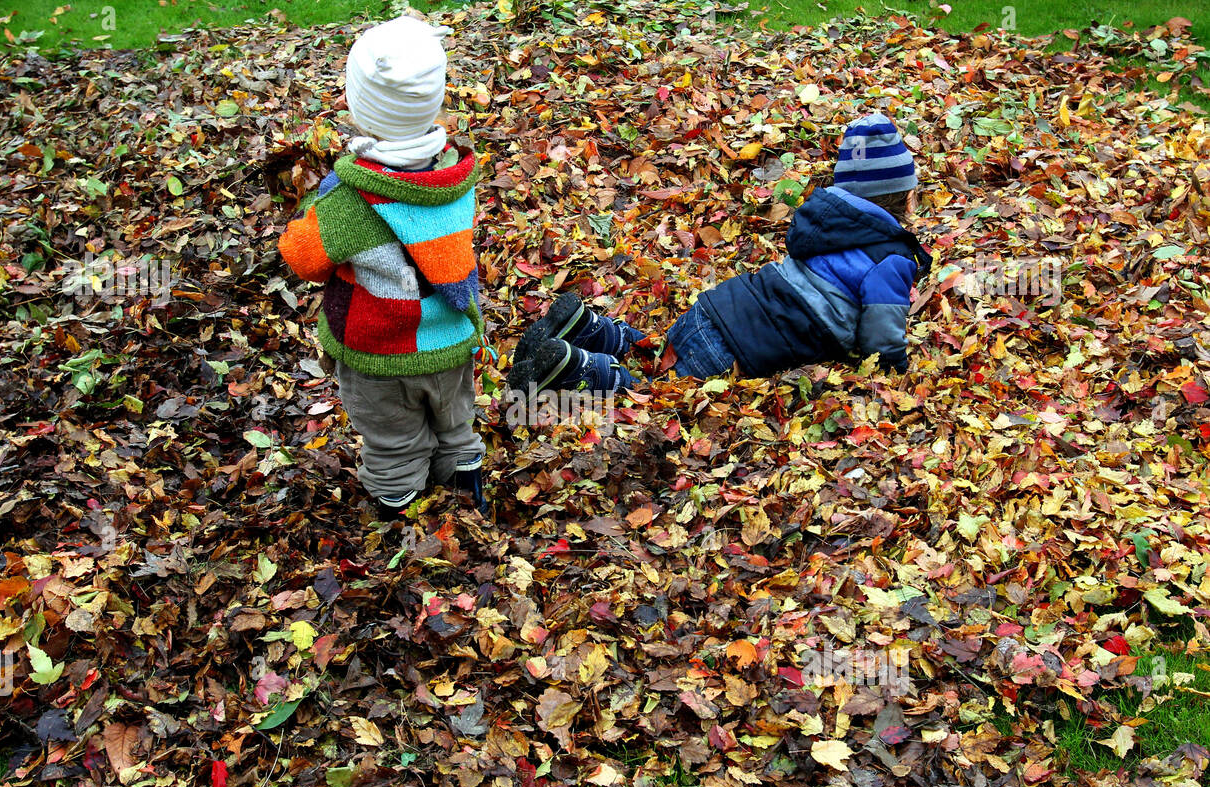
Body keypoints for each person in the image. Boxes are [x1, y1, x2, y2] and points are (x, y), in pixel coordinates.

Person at [507, 112, 933, 393]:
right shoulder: (892, 257)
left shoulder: (824, 224)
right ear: (904, 198)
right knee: (654, 392)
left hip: (718, 308)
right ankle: (576, 369)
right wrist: (892, 370)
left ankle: (593, 330)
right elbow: (881, 332)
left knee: (663, 353)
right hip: (738, 348)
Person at [278, 15, 488, 519]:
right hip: (452, 338)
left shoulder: (351, 204)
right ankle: (465, 487)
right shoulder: (454, 176)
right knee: (454, 419)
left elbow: (302, 259)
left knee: (394, 439)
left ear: (356, 106)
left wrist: (312, 213)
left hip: (379, 354)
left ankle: (400, 515)